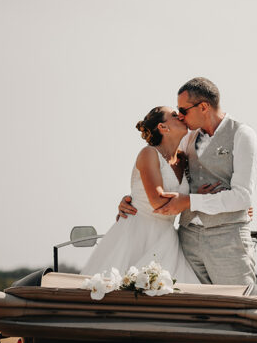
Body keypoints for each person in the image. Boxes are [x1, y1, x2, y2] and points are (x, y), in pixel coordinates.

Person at [118, 77, 257, 287]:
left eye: (183, 111)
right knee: (194, 309)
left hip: (227, 240)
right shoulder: (187, 138)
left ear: (203, 107)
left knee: (236, 305)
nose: (180, 116)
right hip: (185, 242)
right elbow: (164, 172)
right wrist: (133, 200)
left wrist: (189, 202)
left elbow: (243, 196)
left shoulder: (243, 135)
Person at [82, 106, 201, 284]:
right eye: (175, 115)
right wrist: (197, 201)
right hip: (136, 235)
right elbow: (157, 202)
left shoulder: (184, 160)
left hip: (168, 239)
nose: (182, 117)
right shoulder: (148, 153)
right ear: (163, 127)